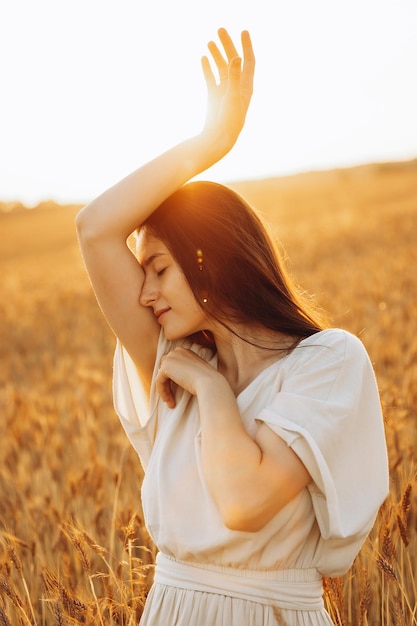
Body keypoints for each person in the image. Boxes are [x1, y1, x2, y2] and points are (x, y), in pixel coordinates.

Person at [76, 28, 389, 626]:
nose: (144, 293)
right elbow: (94, 228)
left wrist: (215, 391)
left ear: (206, 260)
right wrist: (208, 142)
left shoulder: (328, 362)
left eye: (158, 269)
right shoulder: (167, 357)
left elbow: (244, 501)